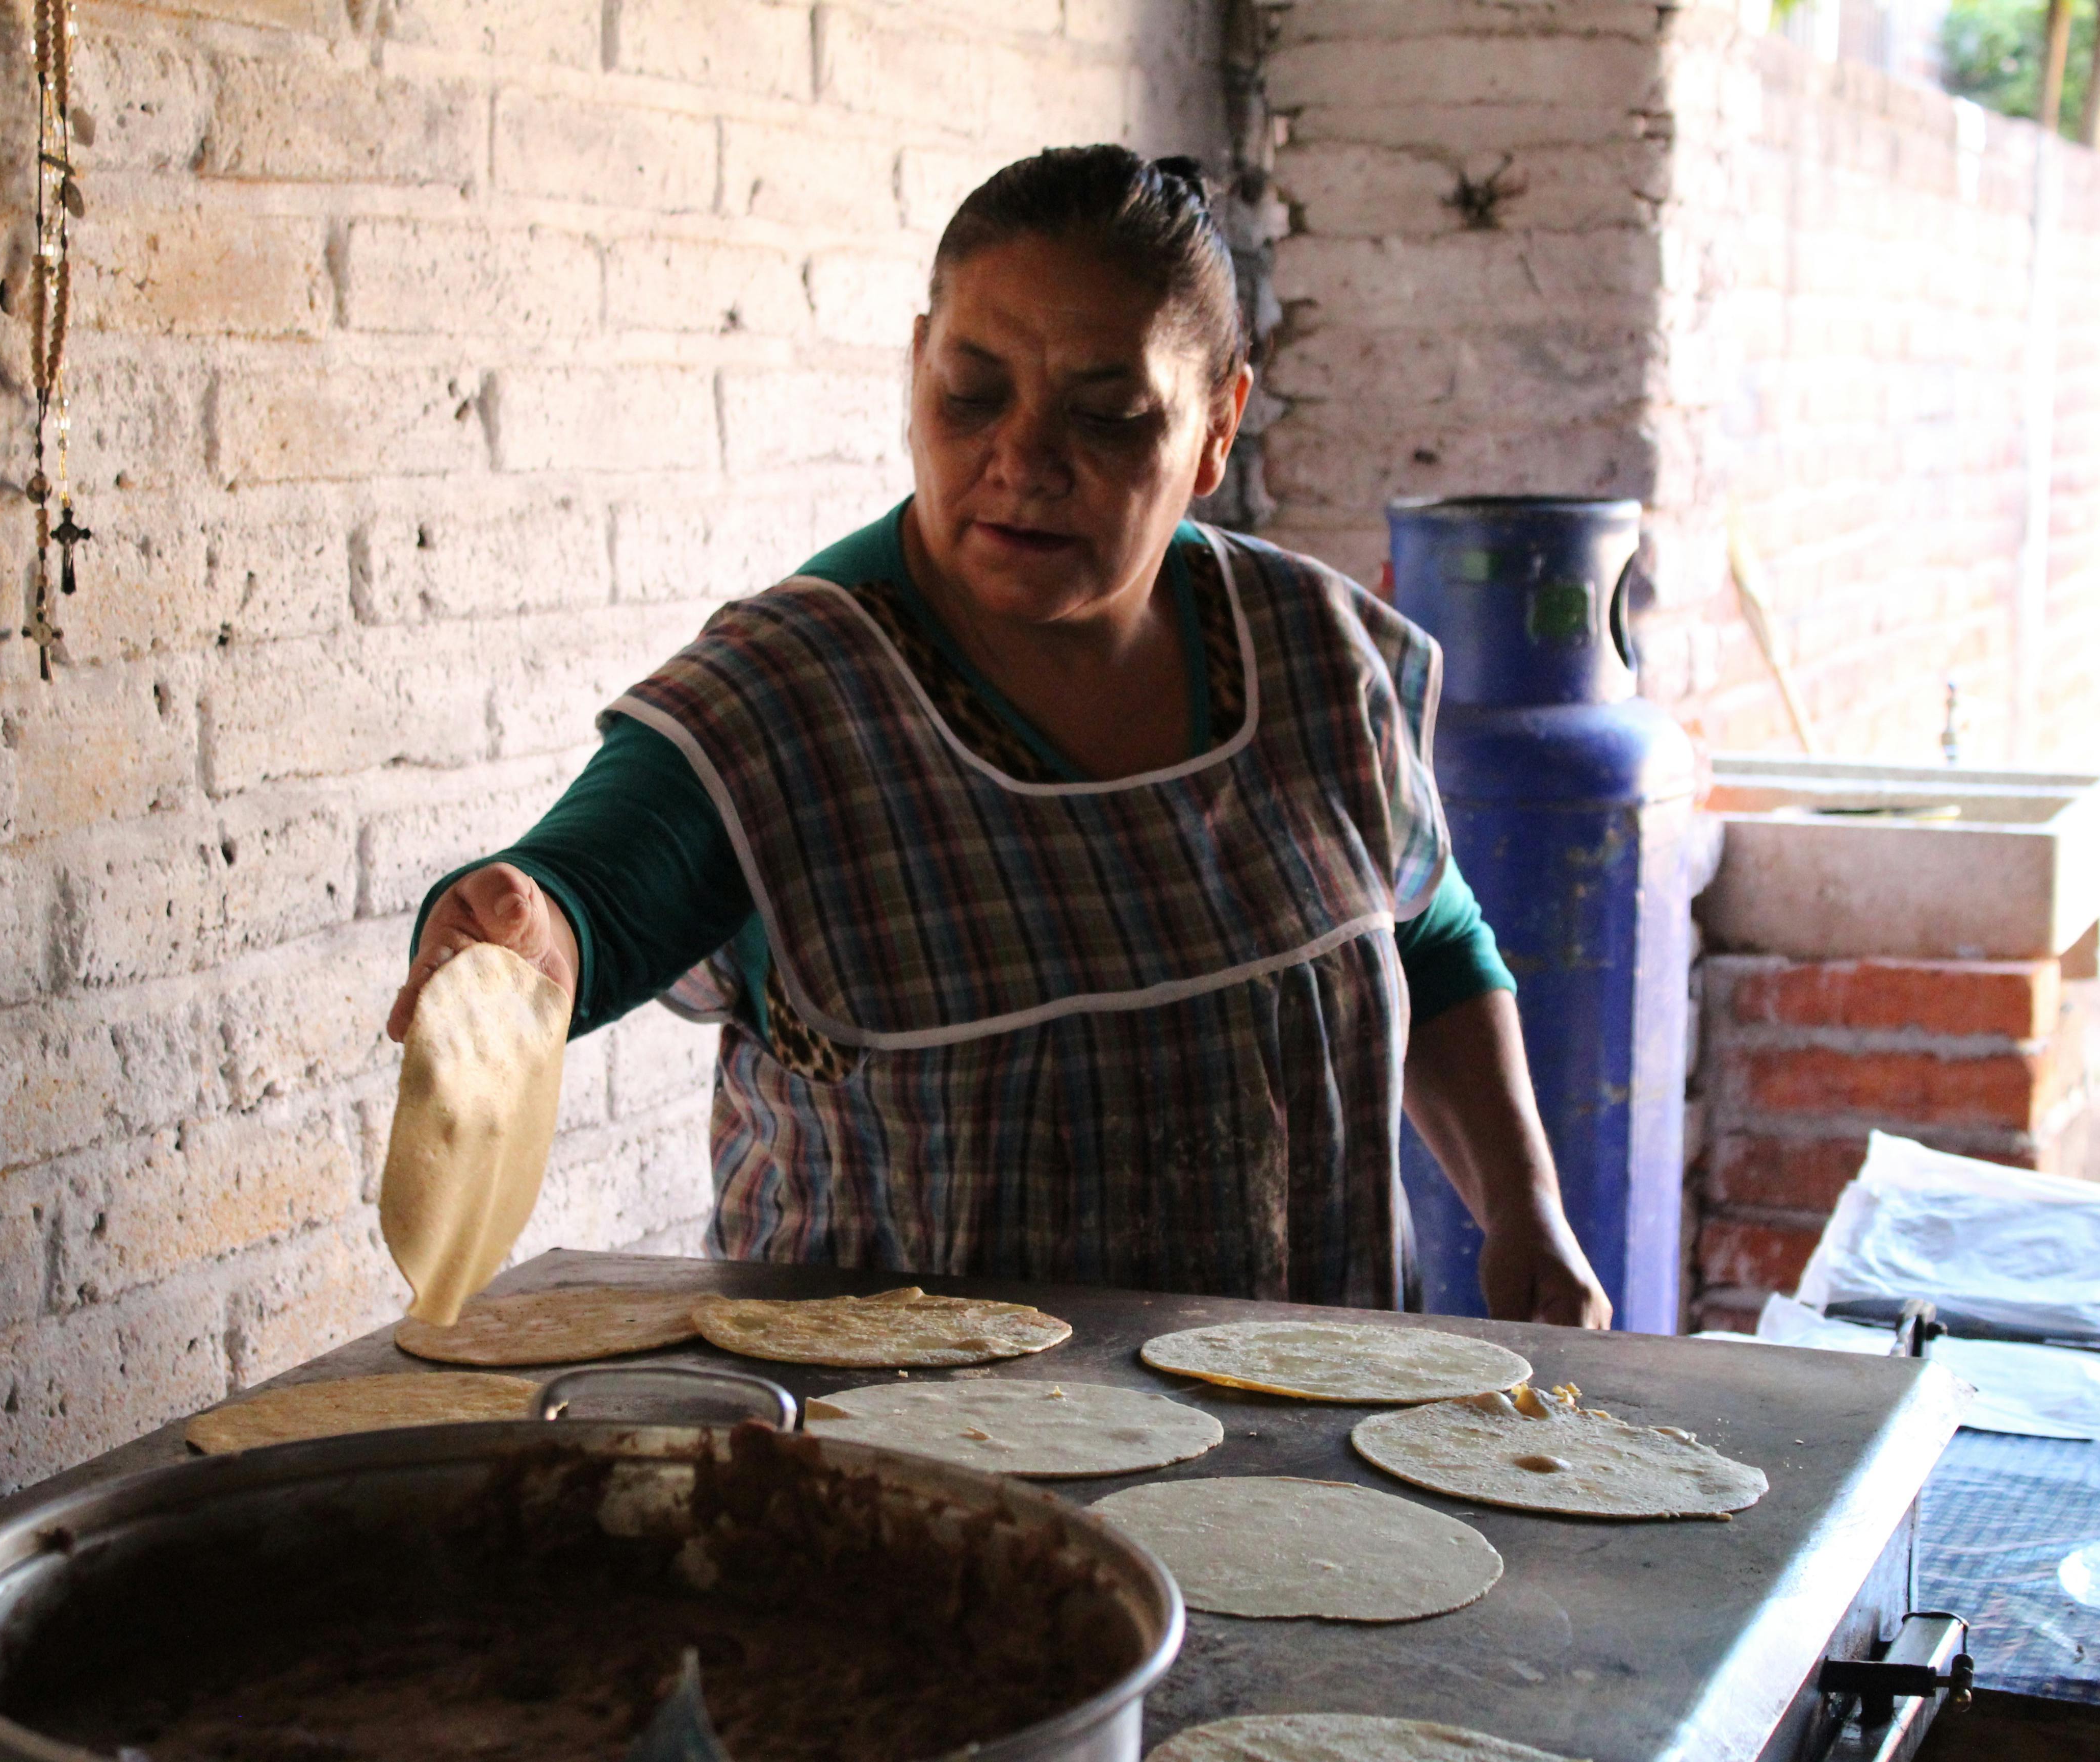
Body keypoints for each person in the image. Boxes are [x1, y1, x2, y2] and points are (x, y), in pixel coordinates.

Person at [386, 146, 1610, 1327]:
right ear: (917, 366)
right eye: (970, 395)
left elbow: (1429, 935)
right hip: (920, 1497)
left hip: (1292, 1465)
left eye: (1108, 414)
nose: (1020, 459)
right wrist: (525, 930)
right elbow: (590, 893)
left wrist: (1522, 1202)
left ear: (1219, 426)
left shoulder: (1318, 657)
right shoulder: (791, 695)